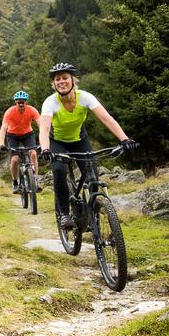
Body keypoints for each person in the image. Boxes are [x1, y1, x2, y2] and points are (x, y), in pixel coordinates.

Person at [37, 63, 138, 229]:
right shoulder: (50, 102)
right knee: (59, 170)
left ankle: (93, 214)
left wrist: (124, 139)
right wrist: (46, 149)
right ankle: (63, 214)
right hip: (57, 142)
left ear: (72, 80)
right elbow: (45, 128)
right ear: (54, 84)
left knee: (92, 175)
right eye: (57, 79)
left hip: (79, 139)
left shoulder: (85, 97)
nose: (61, 82)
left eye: (65, 78)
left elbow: (106, 119)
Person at [0, 90, 40, 193]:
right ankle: (15, 182)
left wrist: (46, 141)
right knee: (15, 160)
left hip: (27, 134)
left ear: (26, 102)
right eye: (19, 102)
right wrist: (2, 143)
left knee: (33, 153)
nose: (21, 104)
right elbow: (3, 128)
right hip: (12, 135)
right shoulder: (10, 112)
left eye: (23, 102)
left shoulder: (32, 110)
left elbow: (41, 124)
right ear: (15, 103)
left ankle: (35, 179)